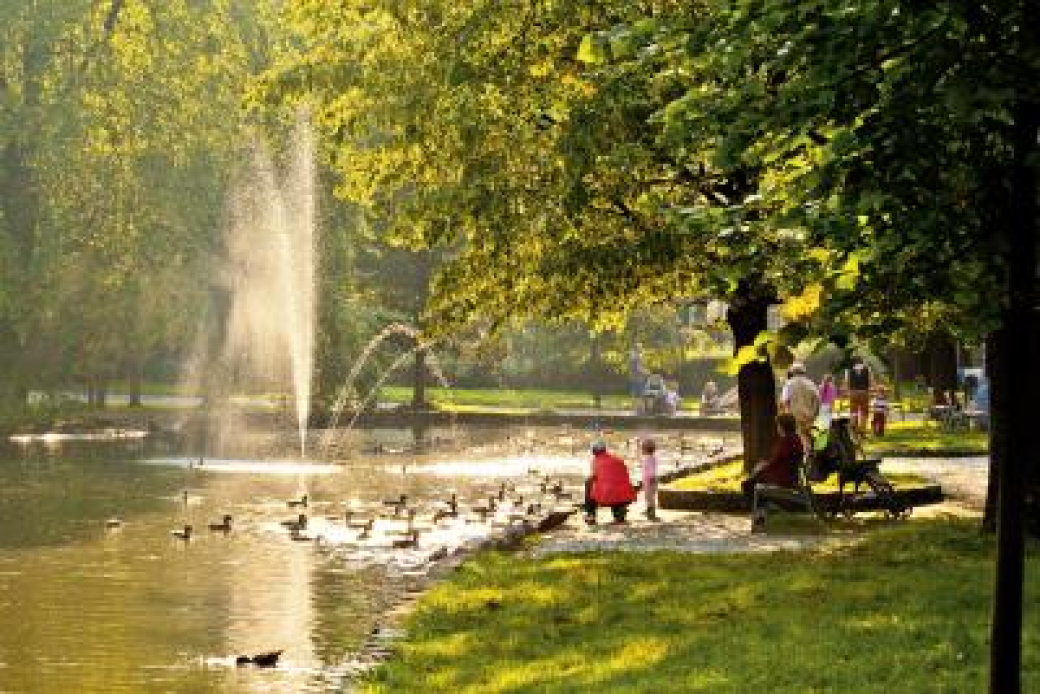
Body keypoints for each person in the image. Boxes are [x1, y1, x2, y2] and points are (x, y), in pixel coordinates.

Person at [741, 413, 804, 503]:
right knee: (753, 478)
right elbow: (777, 460)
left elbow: (774, 462)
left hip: (782, 479)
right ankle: (764, 508)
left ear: (782, 427)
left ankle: (760, 510)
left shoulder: (787, 441)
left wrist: (759, 469)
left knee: (747, 484)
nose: (777, 428)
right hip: (789, 476)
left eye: (778, 426)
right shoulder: (795, 439)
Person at [584, 441, 637, 524]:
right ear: (605, 450)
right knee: (614, 486)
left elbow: (594, 477)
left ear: (594, 452)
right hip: (626, 497)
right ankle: (619, 513)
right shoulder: (618, 460)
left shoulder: (596, 461)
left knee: (588, 483)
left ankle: (591, 515)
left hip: (608, 497)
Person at [782, 363, 819, 449]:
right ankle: (812, 455)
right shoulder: (811, 383)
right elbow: (817, 400)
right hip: (809, 416)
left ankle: (806, 457)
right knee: (809, 437)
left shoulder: (788, 384)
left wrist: (788, 414)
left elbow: (785, 401)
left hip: (794, 416)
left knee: (800, 439)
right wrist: (814, 415)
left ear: (792, 372)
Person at [845, 355, 872, 435]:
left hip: (853, 392)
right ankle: (862, 430)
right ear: (862, 361)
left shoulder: (849, 370)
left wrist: (849, 391)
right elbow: (870, 381)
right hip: (864, 392)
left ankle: (854, 429)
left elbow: (847, 382)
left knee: (853, 411)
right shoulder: (867, 369)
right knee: (864, 411)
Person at [639, 438, 660, 521]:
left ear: (645, 450)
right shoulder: (652, 458)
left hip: (650, 480)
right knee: (649, 497)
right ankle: (649, 509)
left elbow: (651, 470)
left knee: (649, 497)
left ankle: (651, 512)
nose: (641, 450)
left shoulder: (648, 459)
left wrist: (651, 479)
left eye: (642, 449)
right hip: (650, 480)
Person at [628, 344, 647, 414]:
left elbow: (633, 368)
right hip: (638, 378)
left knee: (635, 394)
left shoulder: (632, 356)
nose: (642, 349)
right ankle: (640, 410)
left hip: (634, 377)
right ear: (637, 349)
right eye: (640, 347)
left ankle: (635, 410)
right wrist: (646, 372)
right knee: (640, 394)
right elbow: (638, 368)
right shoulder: (637, 357)